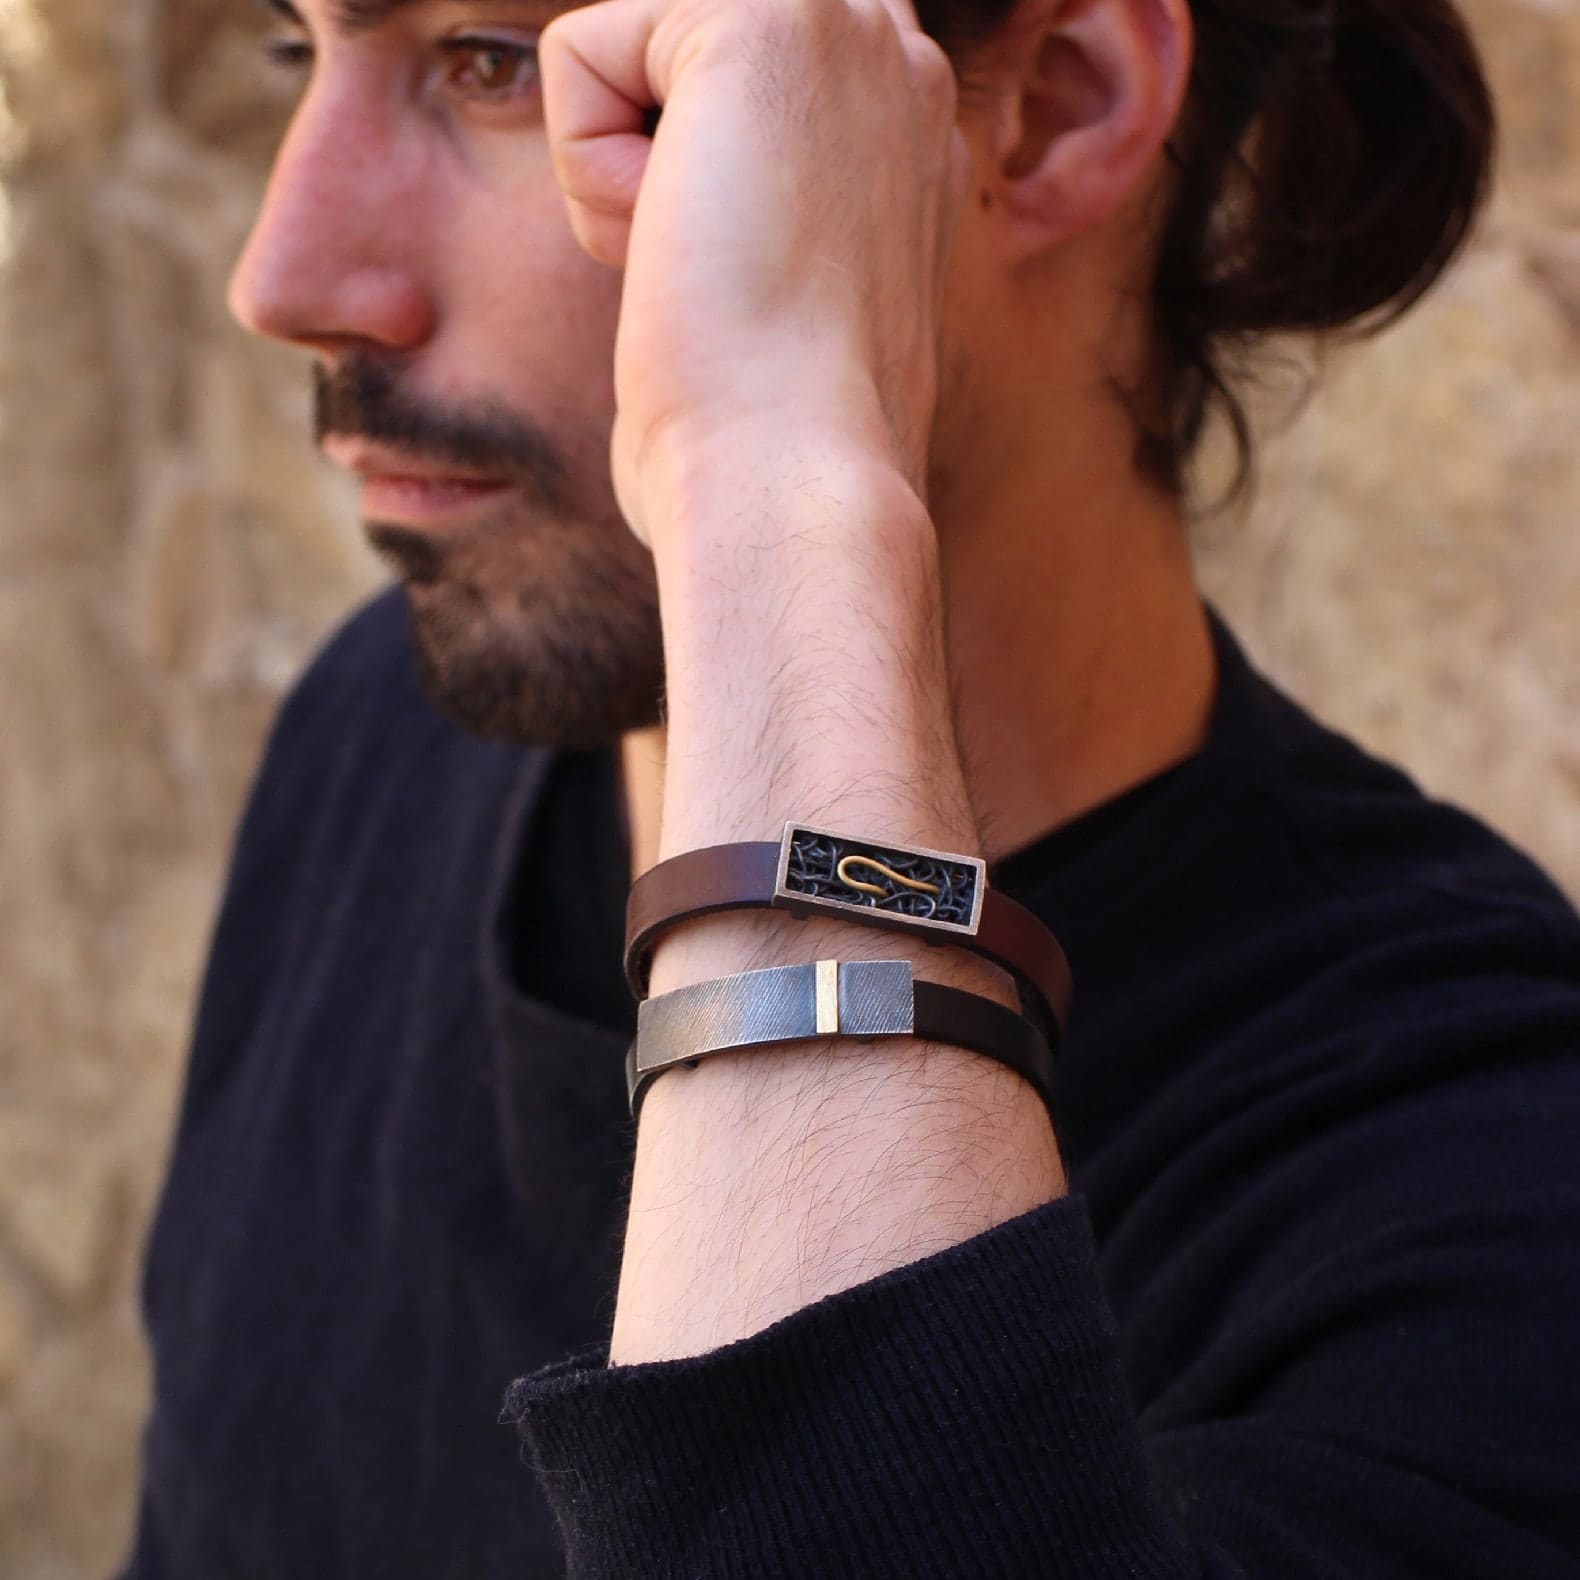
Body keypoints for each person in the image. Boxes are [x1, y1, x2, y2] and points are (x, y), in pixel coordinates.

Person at [118, 0, 1580, 1571]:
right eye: (298, 49)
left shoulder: (1483, 1170)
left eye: (498, 63)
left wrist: (774, 478)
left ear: (1052, 104)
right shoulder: (381, 740)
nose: (284, 278)